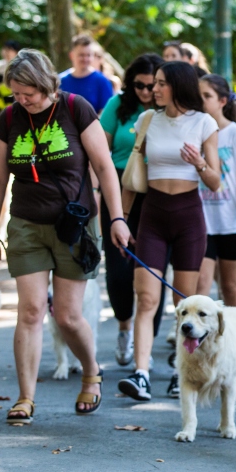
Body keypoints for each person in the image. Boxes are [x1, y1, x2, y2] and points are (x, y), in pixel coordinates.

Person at [0, 50, 132, 423]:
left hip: (74, 226)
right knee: (31, 311)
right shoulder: (10, 118)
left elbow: (104, 167)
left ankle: (91, 371)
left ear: (45, 84)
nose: (22, 100)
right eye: (16, 94)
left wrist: (117, 218)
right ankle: (25, 397)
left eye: (28, 93)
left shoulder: (75, 108)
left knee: (67, 316)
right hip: (25, 224)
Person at [116, 61, 220, 402]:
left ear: (177, 86)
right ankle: (141, 373)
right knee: (146, 299)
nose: (153, 89)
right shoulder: (148, 120)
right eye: (153, 84)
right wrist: (122, 218)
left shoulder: (204, 122)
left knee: (184, 304)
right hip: (153, 216)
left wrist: (199, 164)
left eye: (160, 84)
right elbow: (131, 173)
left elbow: (215, 181)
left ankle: (182, 372)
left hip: (189, 216)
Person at [99, 53, 158, 366]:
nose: (147, 92)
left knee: (152, 268)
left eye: (152, 86)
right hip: (119, 190)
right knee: (119, 270)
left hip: (157, 193)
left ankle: (144, 343)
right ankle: (124, 323)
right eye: (140, 85)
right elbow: (100, 150)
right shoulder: (117, 107)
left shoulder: (167, 108)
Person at [196, 74, 236, 310]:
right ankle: (193, 344)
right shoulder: (194, 132)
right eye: (198, 95)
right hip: (202, 223)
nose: (201, 100)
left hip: (232, 223)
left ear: (223, 101)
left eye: (207, 96)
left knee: (231, 286)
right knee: (201, 283)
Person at [59, 34, 115, 112]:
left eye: (88, 55)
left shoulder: (102, 81)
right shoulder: (60, 80)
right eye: (81, 55)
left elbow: (106, 113)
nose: (85, 59)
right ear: (72, 55)